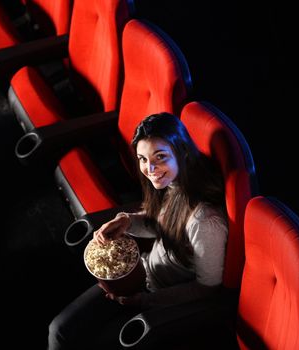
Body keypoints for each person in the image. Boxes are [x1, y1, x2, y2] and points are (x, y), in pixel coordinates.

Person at [48, 112, 228, 349]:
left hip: (161, 301)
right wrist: (127, 222)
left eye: (160, 157)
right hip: (142, 275)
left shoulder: (206, 222)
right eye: (142, 159)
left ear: (182, 152)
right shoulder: (176, 182)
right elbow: (161, 224)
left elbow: (207, 288)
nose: (149, 168)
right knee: (59, 331)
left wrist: (143, 301)